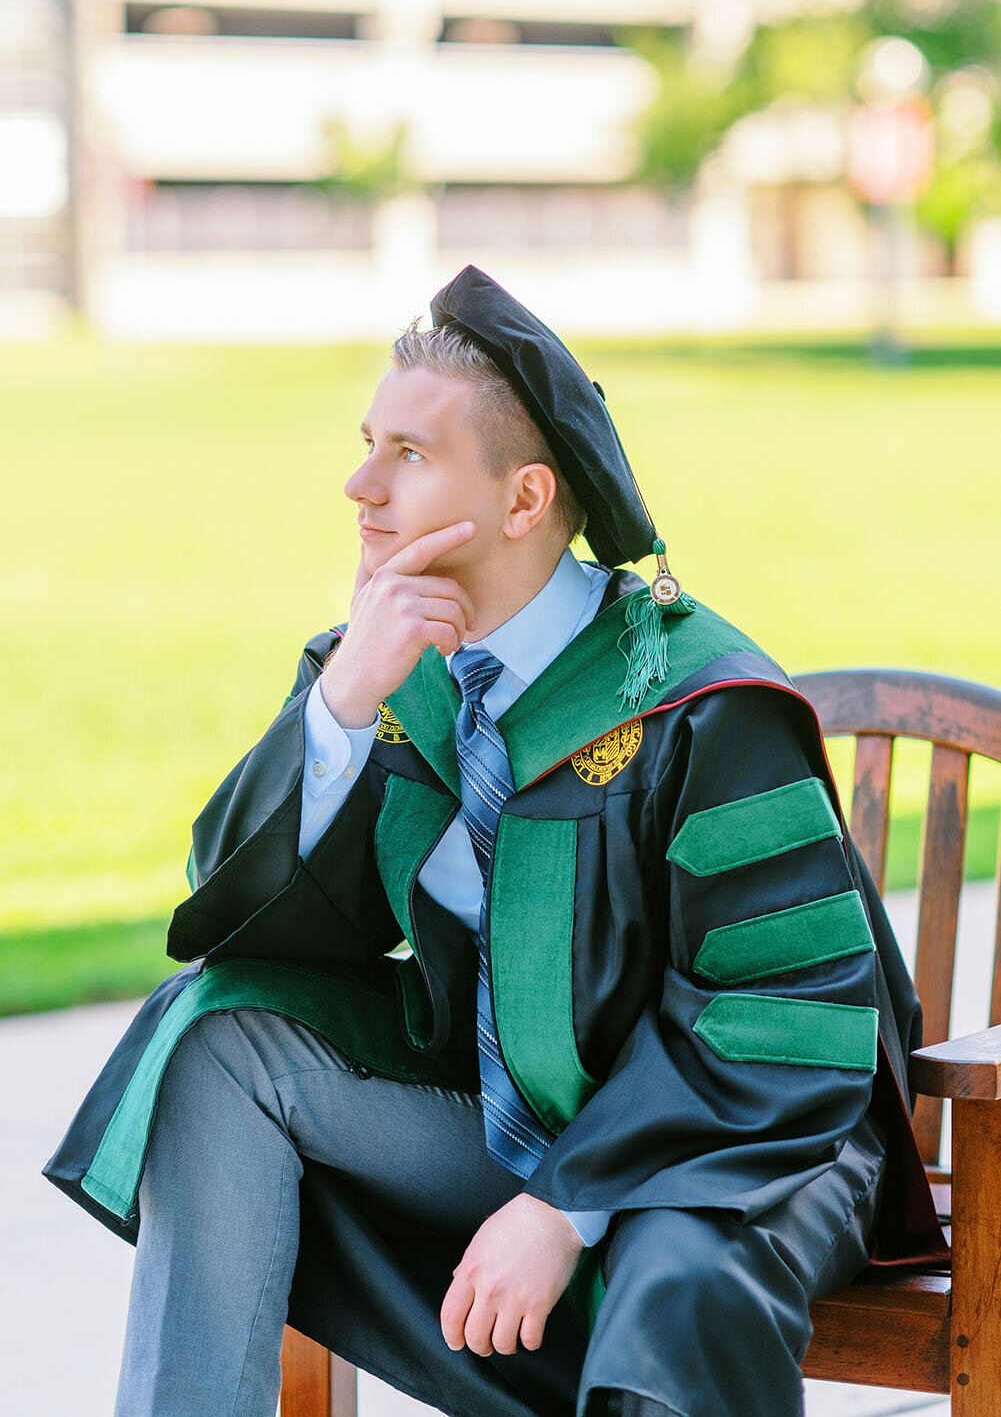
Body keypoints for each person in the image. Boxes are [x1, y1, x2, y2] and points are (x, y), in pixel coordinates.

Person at [45, 265, 946, 1417]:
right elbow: (241, 914)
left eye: (407, 456)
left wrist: (563, 1203)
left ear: (523, 502)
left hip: (737, 1139)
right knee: (214, 1040)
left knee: (681, 1277)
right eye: (367, 442)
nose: (358, 486)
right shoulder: (386, 670)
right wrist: (339, 715)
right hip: (504, 1111)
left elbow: (790, 1022)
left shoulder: (695, 704)